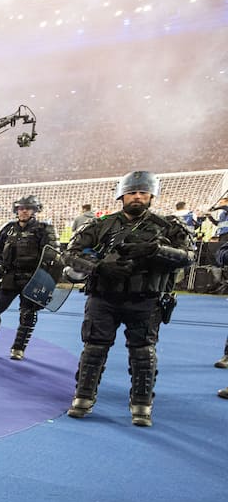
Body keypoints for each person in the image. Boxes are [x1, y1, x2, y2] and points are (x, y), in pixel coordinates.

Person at [64, 171, 195, 427]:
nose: (137, 197)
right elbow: (70, 254)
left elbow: (188, 256)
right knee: (93, 349)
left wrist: (156, 250)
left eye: (143, 192)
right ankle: (83, 397)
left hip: (145, 299)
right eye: (132, 192)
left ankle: (142, 404)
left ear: (151, 196)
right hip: (103, 297)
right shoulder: (99, 225)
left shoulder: (168, 226)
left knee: (143, 354)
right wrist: (99, 267)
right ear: (122, 195)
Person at [0, 195, 59, 359]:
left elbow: (53, 257)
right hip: (10, 277)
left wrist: (45, 282)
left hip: (33, 279)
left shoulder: (44, 229)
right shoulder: (8, 229)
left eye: (28, 208)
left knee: (28, 315)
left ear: (35, 210)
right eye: (21, 208)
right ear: (16, 210)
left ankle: (18, 348)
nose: (24, 211)